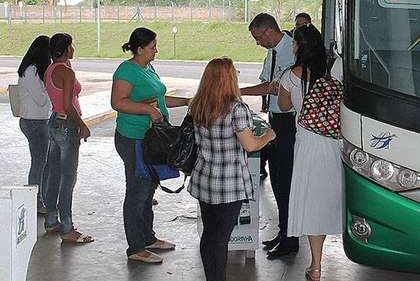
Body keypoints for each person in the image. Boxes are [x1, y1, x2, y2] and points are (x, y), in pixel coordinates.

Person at [188, 57, 276, 281]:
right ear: (228, 79)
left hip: (204, 179)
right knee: (221, 238)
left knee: (209, 236)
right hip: (229, 184)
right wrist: (269, 135)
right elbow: (250, 145)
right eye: (234, 72)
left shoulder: (197, 105)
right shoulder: (237, 109)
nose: (237, 74)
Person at [111, 27, 191, 263]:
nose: (156, 50)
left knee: (148, 190)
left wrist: (186, 101)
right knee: (137, 192)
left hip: (150, 139)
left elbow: (158, 98)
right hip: (133, 138)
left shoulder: (148, 68)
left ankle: (148, 237)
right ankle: (136, 247)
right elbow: (117, 102)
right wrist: (148, 110)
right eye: (153, 46)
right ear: (140, 48)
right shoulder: (127, 70)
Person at [277, 24, 343, 281]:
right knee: (327, 196)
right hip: (333, 139)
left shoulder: (292, 75)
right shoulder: (334, 68)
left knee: (311, 199)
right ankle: (319, 259)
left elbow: (283, 106)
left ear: (298, 46)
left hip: (306, 141)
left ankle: (315, 266)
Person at [240, 13, 298, 258]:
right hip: (275, 119)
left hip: (291, 122)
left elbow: (272, 87)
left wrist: (234, 91)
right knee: (277, 180)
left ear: (267, 32)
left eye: (257, 37)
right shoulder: (272, 52)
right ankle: (283, 232)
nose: (257, 42)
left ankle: (291, 239)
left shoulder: (294, 50)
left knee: (286, 181)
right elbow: (268, 85)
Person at [43, 33, 94, 243]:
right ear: (66, 49)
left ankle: (52, 220)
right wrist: (82, 125)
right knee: (68, 178)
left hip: (54, 121)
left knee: (54, 174)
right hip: (67, 124)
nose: (74, 48)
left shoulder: (51, 69)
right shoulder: (66, 73)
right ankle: (67, 227)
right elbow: (68, 104)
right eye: (71, 45)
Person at [17, 35, 52, 215]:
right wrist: (50, 86)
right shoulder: (30, 71)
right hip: (33, 122)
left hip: (40, 120)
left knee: (44, 162)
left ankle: (42, 197)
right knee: (39, 162)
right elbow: (40, 99)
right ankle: (35, 200)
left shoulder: (35, 70)